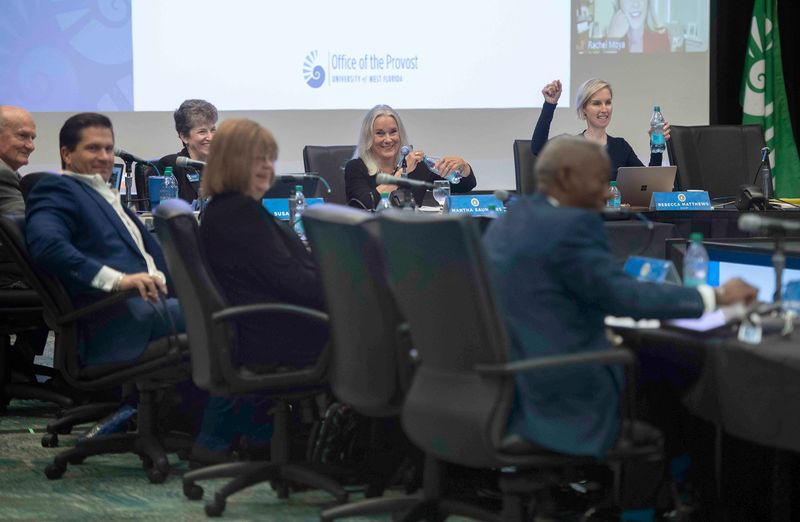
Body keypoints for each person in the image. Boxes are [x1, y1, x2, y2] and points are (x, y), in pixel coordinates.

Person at [483, 138, 757, 518]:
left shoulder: (513, 217)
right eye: (599, 180)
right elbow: (624, 298)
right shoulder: (571, 225)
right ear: (565, 177)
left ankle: (669, 491)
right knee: (683, 366)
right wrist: (716, 298)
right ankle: (666, 500)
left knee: (661, 363)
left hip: (513, 382)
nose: (607, 191)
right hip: (564, 387)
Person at [197, 118, 328, 457]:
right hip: (276, 334)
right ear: (231, 161)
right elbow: (293, 282)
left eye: (270, 158)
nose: (267, 168)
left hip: (263, 328)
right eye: (257, 159)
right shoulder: (239, 215)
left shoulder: (232, 209)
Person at [531, 78, 669, 181]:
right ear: (583, 109)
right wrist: (549, 105)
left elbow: (647, 184)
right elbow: (538, 149)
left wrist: (656, 147)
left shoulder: (621, 146)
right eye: (596, 103)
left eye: (608, 102)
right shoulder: (571, 147)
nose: (604, 109)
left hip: (619, 218)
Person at [345, 104, 476, 210]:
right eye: (380, 133)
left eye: (393, 132)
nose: (388, 139)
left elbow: (465, 185)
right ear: (368, 138)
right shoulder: (355, 167)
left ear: (400, 134)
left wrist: (463, 167)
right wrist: (403, 173)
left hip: (412, 235)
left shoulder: (418, 166)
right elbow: (364, 204)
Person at [0, 105, 49, 382]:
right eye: (22, 136)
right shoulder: (2, 174)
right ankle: (89, 379)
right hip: (7, 278)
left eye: (33, 138)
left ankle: (20, 363)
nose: (30, 146)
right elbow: (25, 234)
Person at [156, 99, 217, 204]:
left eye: (213, 130)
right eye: (202, 132)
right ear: (184, 137)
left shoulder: (223, 166)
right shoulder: (170, 165)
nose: (210, 137)